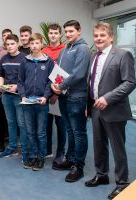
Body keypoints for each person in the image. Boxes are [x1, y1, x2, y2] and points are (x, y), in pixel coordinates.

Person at [84, 23, 136, 200]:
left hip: (114, 109)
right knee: (99, 144)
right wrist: (88, 105)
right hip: (96, 108)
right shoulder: (93, 56)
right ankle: (101, 175)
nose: (98, 38)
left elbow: (129, 83)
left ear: (111, 37)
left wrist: (108, 98)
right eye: (96, 35)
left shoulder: (122, 55)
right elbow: (91, 82)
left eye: (102, 35)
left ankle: (122, 183)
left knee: (117, 147)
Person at [51, 20, 91, 182]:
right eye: (66, 32)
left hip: (77, 97)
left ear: (79, 31)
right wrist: (55, 84)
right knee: (69, 130)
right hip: (63, 96)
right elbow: (59, 71)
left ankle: (78, 166)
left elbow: (79, 74)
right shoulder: (66, 48)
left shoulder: (83, 49)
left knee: (79, 132)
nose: (68, 34)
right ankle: (70, 159)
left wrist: (60, 86)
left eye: (71, 31)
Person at [18, 33, 54, 171]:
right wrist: (22, 96)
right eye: (32, 43)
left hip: (41, 102)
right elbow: (20, 81)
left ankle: (41, 157)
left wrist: (46, 96)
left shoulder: (48, 61)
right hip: (27, 102)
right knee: (30, 131)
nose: (34, 46)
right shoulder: (24, 61)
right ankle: (32, 155)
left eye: (37, 43)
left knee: (41, 132)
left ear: (41, 44)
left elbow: (50, 81)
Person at [0, 34, 28, 162]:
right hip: (6, 96)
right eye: (7, 44)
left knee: (22, 124)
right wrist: (0, 85)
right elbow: (1, 75)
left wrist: (17, 86)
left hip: (19, 96)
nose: (9, 46)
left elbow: (28, 78)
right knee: (10, 123)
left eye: (12, 44)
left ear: (17, 44)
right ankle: (12, 147)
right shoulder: (3, 58)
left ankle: (26, 151)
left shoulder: (24, 59)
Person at [41, 23, 67, 166]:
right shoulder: (44, 50)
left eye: (55, 33)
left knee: (61, 125)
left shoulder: (65, 50)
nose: (53, 35)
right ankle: (47, 150)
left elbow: (63, 73)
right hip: (46, 93)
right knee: (46, 124)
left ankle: (60, 153)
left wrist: (56, 93)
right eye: (50, 33)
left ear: (60, 34)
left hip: (59, 94)